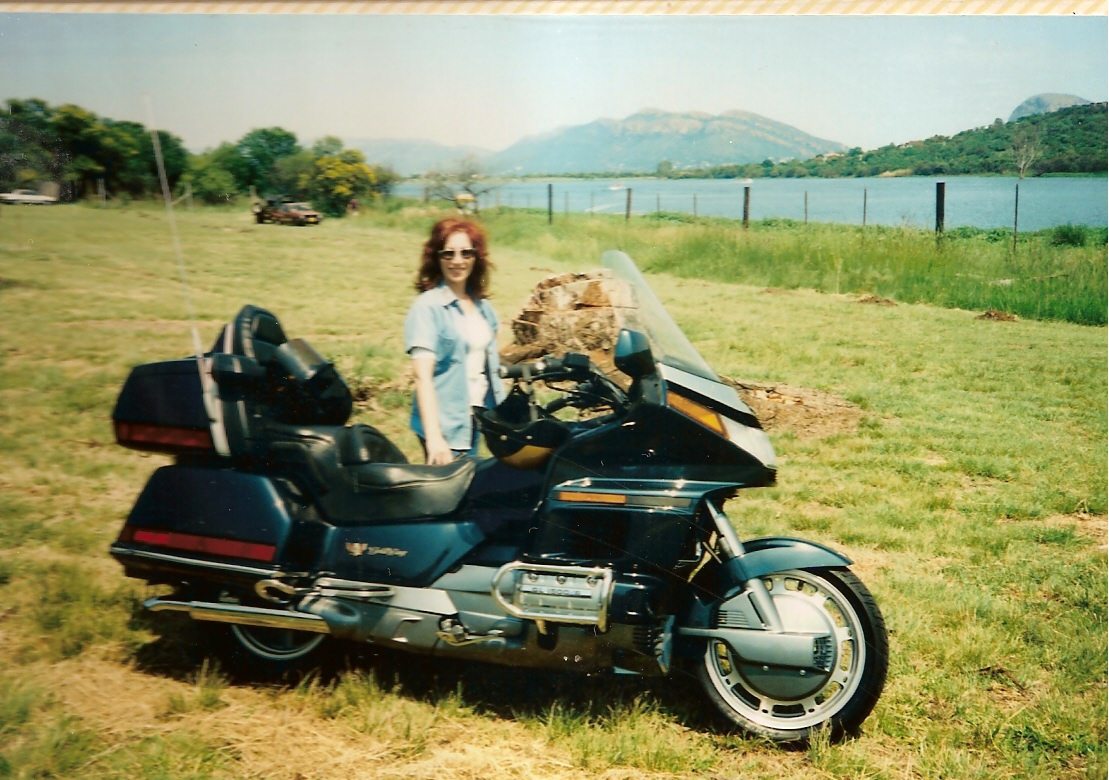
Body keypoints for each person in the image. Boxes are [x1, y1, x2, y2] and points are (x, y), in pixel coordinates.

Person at [404, 218, 505, 464]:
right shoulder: (427, 307)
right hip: (445, 423)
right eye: (448, 254)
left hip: (478, 416)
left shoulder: (485, 309)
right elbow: (422, 377)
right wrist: (435, 437)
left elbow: (487, 366)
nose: (457, 261)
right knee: (452, 495)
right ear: (436, 258)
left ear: (476, 257)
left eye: (465, 253)